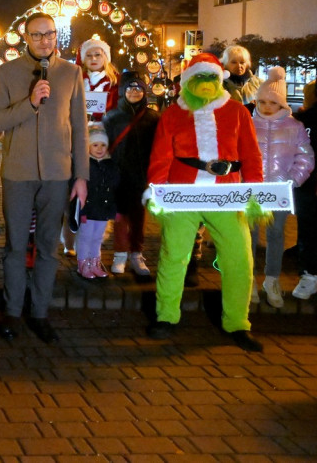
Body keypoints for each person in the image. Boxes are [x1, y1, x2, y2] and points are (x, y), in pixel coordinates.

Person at [145, 53, 264, 352]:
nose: (207, 83)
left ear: (219, 79)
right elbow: (161, 156)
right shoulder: (173, 114)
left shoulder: (237, 111)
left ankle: (237, 322)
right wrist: (156, 191)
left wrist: (255, 193)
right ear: (187, 82)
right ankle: (166, 317)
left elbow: (251, 155)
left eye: (212, 77)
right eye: (199, 77)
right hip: (182, 193)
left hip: (227, 194)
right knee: (174, 257)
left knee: (239, 259)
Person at [0, 12, 89, 344]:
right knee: (16, 246)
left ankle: (40, 312)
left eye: (50, 34)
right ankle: (13, 312)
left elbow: (80, 129)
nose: (45, 40)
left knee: (48, 247)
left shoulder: (72, 73)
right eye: (37, 35)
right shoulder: (6, 73)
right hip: (19, 173)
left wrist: (81, 176)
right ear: (25, 37)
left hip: (58, 174)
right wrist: (29, 103)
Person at [249, 67, 313, 307]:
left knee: (276, 235)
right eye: (262, 101)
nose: (266, 107)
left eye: (272, 103)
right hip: (251, 191)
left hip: (280, 192)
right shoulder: (248, 123)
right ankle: (249, 280)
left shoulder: (294, 127)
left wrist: (293, 180)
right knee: (250, 235)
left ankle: (272, 279)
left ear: (281, 104)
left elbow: (305, 157)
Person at [102, 71, 160, 278]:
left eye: (138, 88)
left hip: (142, 176)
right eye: (130, 88)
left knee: (138, 217)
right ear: (122, 91)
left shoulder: (153, 118)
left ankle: (137, 253)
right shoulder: (112, 116)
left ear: (144, 91)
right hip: (118, 175)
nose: (134, 92)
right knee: (119, 217)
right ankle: (119, 254)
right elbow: (104, 146)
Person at [75, 125, 119, 279]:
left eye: (103, 145)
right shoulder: (84, 166)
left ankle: (95, 262)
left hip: (103, 211)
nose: (99, 149)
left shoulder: (111, 165)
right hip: (88, 211)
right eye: (95, 145)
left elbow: (114, 189)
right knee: (85, 237)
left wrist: (113, 210)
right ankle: (83, 263)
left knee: (97, 237)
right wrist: (82, 211)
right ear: (88, 146)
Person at [292, 81, 317, 300]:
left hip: (307, 184)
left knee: (308, 229)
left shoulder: (303, 120)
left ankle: (309, 274)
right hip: (307, 183)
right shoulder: (303, 120)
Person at [221, 45, 261, 112]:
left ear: (247, 64)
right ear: (225, 64)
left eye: (242, 62)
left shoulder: (258, 83)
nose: (239, 66)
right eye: (234, 62)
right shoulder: (218, 84)